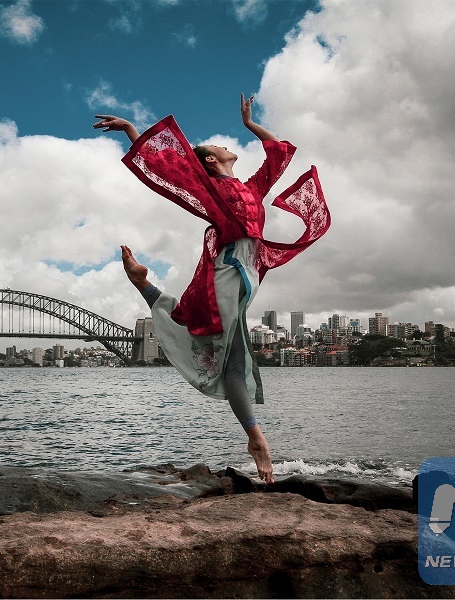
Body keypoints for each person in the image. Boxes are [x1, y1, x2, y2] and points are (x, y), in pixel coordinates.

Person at [93, 94, 330, 484]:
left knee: (224, 349)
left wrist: (249, 123)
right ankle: (256, 439)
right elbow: (167, 167)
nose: (226, 145)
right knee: (232, 359)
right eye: (219, 146)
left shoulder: (251, 188)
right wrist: (131, 130)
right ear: (208, 160)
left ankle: (144, 286)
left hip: (248, 273)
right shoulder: (211, 187)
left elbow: (276, 153)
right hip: (228, 270)